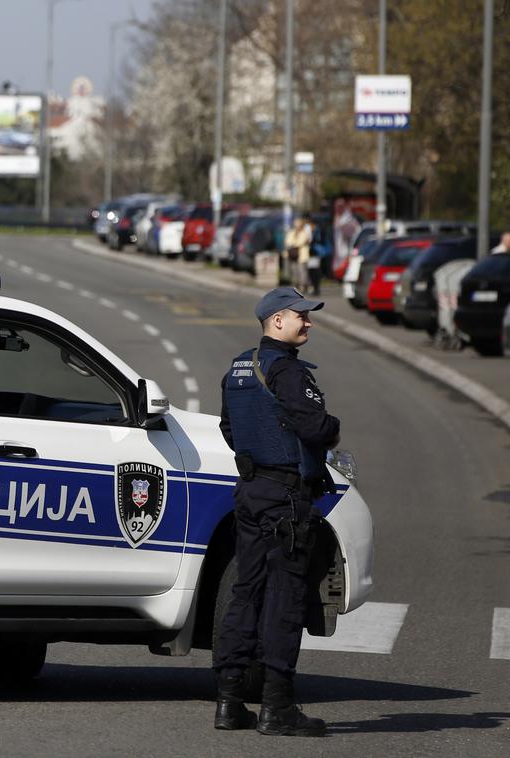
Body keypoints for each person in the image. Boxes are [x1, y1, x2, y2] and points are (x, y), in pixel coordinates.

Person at [213, 287, 340, 738]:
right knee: (285, 599)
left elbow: (229, 428)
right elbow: (316, 427)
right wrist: (331, 428)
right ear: (277, 320)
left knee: (245, 593)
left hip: (249, 492)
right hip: (285, 498)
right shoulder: (285, 370)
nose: (308, 324)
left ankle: (228, 702)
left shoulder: (239, 367)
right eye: (301, 317)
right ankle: (277, 707)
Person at [284, 214, 313, 292]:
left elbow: (302, 241)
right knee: (294, 271)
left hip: (302, 255)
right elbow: (288, 242)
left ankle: (304, 286)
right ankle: (296, 286)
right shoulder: (291, 232)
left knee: (303, 271)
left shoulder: (304, 233)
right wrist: (294, 242)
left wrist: (295, 243)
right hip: (292, 255)